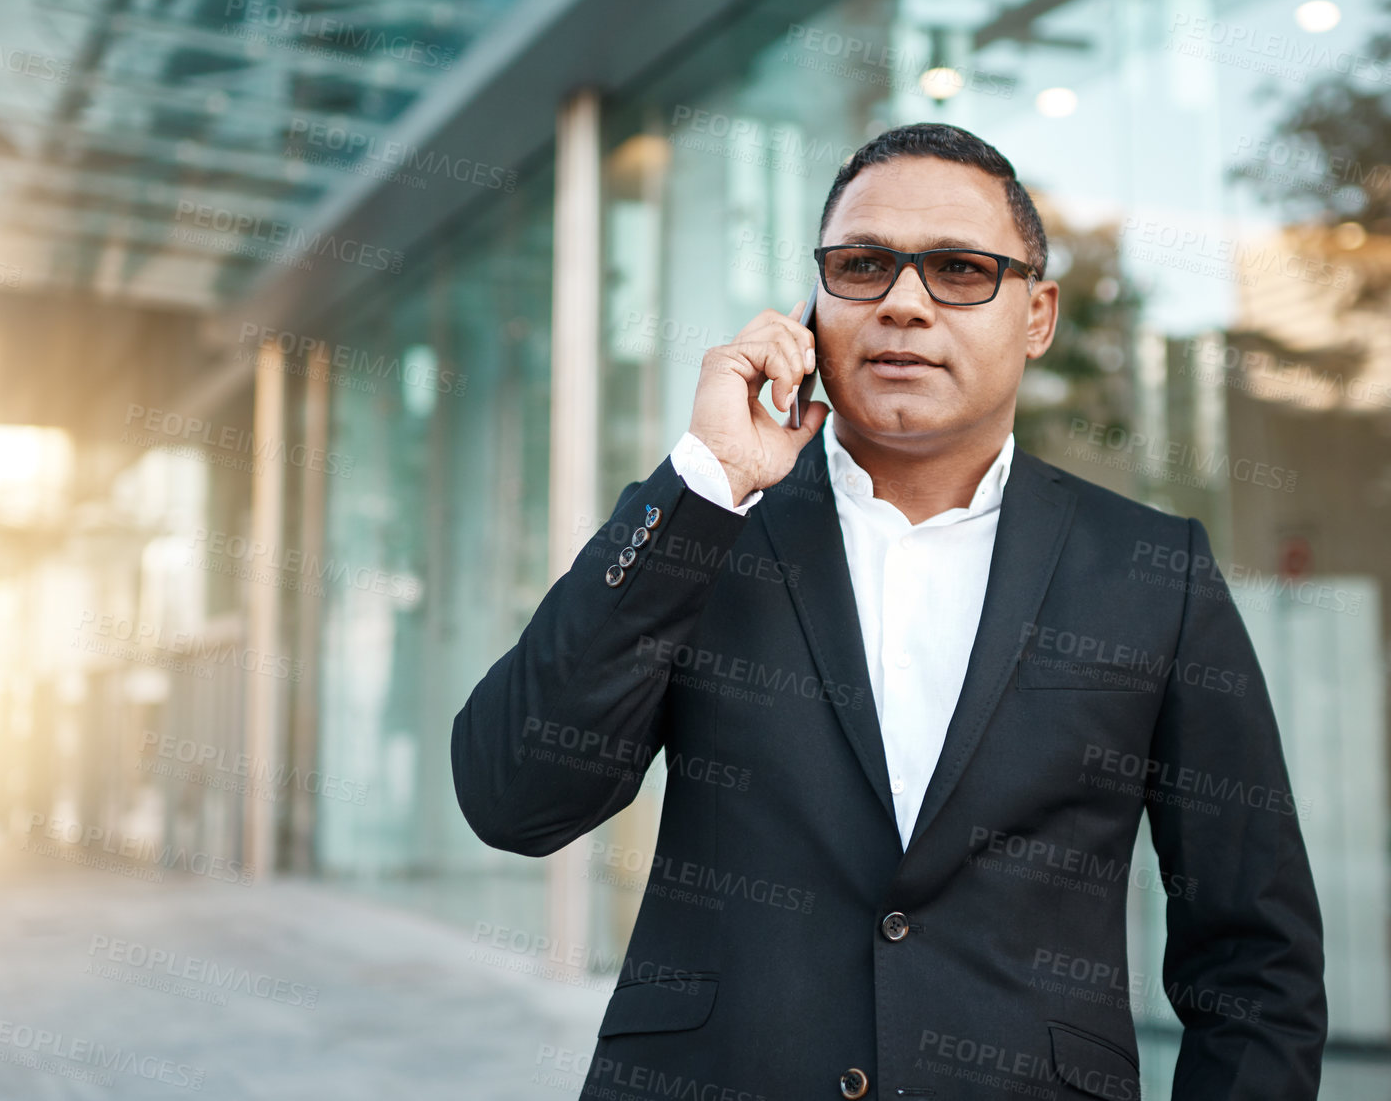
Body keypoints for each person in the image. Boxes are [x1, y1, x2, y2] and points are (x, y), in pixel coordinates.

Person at [452, 122, 1326, 1101]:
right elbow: (512, 798)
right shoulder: (703, 531)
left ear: (1036, 316)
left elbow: (1254, 955)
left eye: (959, 269)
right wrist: (703, 486)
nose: (903, 304)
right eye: (861, 266)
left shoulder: (1151, 570)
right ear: (813, 304)